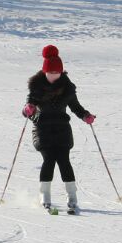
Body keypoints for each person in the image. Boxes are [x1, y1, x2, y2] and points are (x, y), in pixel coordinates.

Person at [22, 45, 95, 214]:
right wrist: (28, 110)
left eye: (57, 73)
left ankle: (72, 198)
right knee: (49, 160)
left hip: (62, 129)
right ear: (45, 72)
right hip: (42, 129)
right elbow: (28, 108)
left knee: (64, 161)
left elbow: (75, 107)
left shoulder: (67, 88)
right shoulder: (36, 87)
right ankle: (44, 197)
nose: (54, 76)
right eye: (51, 73)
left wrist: (85, 115)